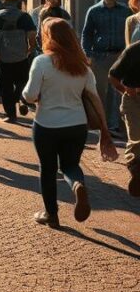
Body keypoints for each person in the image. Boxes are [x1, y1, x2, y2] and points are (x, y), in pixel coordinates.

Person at [22, 18, 118, 228]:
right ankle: (77, 185)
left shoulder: (42, 62)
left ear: (49, 37)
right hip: (76, 125)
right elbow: (94, 98)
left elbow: (29, 95)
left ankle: (51, 215)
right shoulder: (82, 66)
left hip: (46, 124)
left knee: (47, 169)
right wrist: (104, 128)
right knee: (70, 165)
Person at [81, 0, 131, 134]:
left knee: (116, 92)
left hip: (120, 56)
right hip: (100, 56)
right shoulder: (94, 10)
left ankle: (114, 125)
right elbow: (86, 34)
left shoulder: (125, 11)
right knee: (100, 91)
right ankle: (99, 123)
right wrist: (87, 55)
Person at [0, 0, 38, 123]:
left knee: (5, 86)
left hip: (3, 57)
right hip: (21, 57)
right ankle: (20, 98)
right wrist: (29, 50)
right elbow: (32, 36)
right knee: (22, 81)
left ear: (3, 1)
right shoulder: (24, 16)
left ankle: (11, 115)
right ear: (17, 1)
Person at [108, 36, 140, 196]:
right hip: (134, 101)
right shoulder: (134, 50)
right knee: (137, 139)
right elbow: (113, 76)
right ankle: (136, 170)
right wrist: (126, 91)